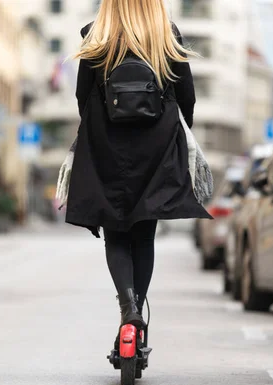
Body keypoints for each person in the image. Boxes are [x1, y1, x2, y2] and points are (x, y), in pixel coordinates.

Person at [65, 0, 212, 344]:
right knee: (144, 235)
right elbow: (187, 98)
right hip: (156, 146)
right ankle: (137, 321)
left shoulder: (96, 36)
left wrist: (98, 130)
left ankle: (127, 309)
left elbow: (82, 96)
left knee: (116, 233)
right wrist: (174, 137)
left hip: (107, 144)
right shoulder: (166, 37)